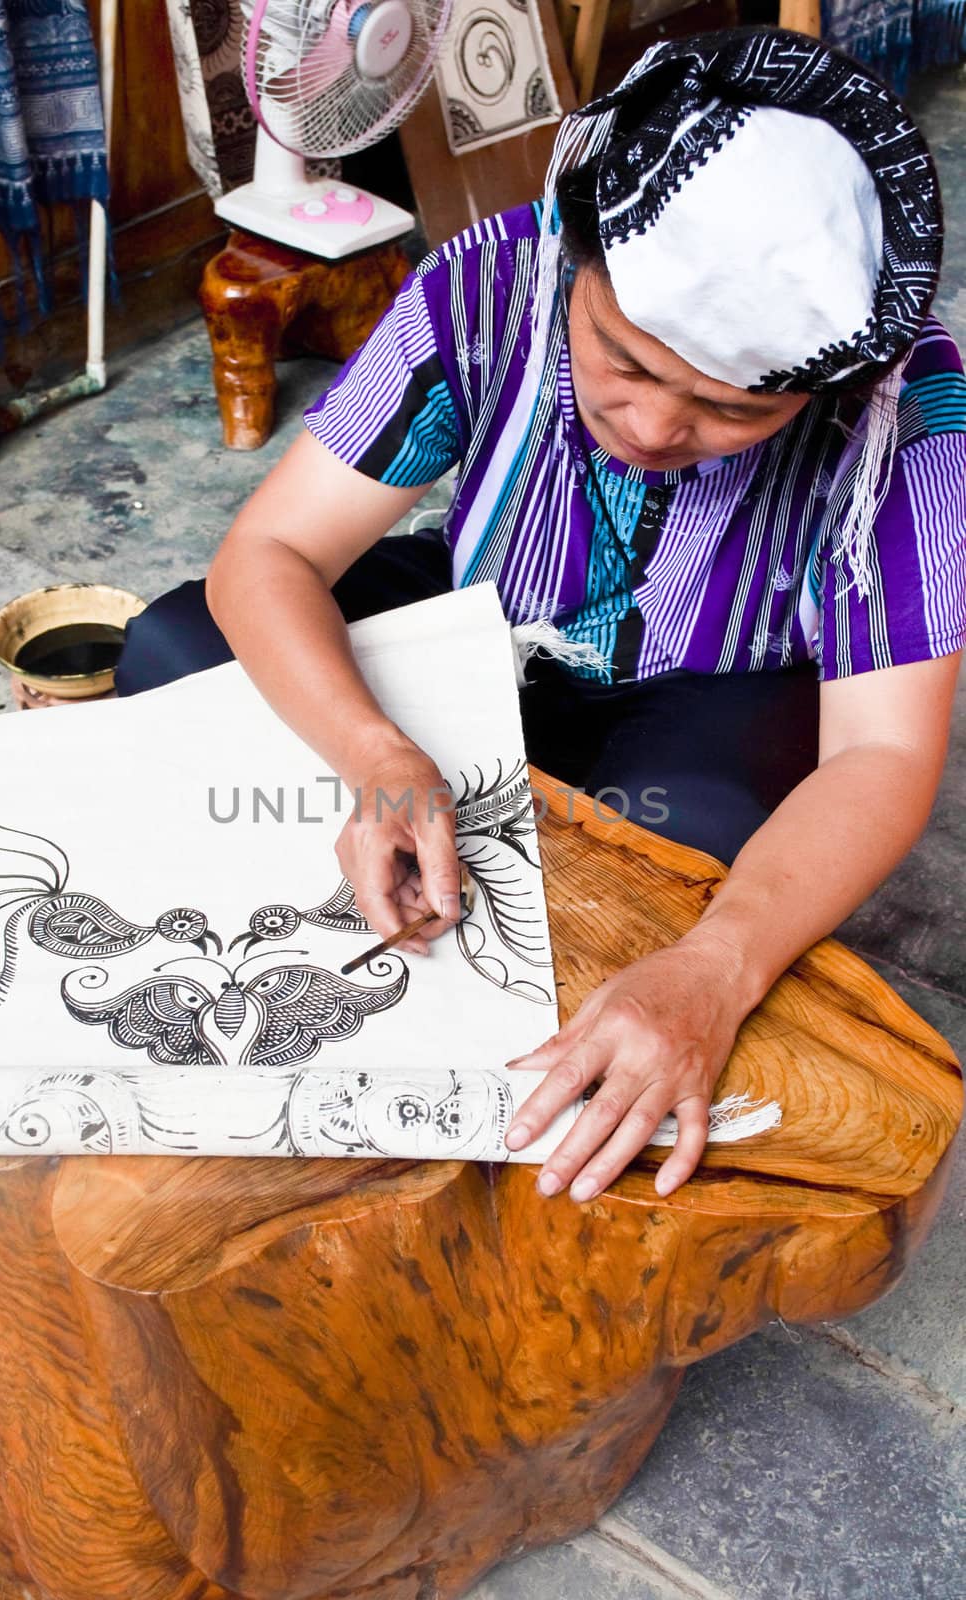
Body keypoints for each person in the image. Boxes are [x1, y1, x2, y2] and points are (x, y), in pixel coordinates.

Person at [115, 27, 965, 1205]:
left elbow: (880, 753)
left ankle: (576, 871)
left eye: (733, 410)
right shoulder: (488, 278)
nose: (659, 426)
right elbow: (272, 550)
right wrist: (376, 754)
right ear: (573, 263)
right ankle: (485, 829)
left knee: (699, 844)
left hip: (704, 690)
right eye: (621, 358)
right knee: (175, 649)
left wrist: (714, 969)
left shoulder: (904, 412)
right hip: (482, 619)